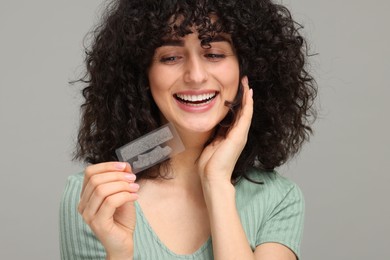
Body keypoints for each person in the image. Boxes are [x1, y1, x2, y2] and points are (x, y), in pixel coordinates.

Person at [59, 0, 317, 259]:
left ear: (247, 68)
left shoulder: (278, 199)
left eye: (214, 54)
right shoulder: (98, 197)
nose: (195, 76)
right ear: (142, 74)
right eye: (170, 57)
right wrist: (119, 254)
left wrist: (216, 182)